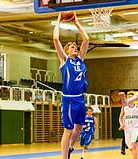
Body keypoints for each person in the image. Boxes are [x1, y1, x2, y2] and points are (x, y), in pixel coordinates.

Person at [53, 11, 89, 159]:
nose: (75, 47)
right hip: (68, 98)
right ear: (67, 51)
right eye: (72, 47)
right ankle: (64, 157)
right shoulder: (64, 60)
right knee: (68, 130)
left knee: (79, 127)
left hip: (80, 98)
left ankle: (69, 147)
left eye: (76, 46)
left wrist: (76, 22)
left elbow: (86, 39)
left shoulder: (80, 59)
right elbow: (55, 39)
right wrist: (59, 19)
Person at [119, 92, 138, 159]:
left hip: (135, 128)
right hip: (127, 129)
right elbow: (120, 118)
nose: (130, 98)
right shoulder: (124, 107)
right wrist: (121, 124)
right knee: (130, 147)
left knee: (134, 144)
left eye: (132, 97)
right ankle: (137, 157)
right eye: (129, 97)